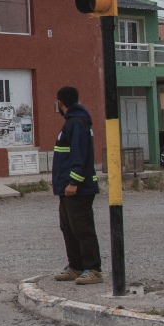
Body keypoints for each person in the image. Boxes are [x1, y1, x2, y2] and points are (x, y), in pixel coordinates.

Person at [49, 86, 102, 285]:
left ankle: (93, 269)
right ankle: (76, 266)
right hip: (66, 189)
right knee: (68, 228)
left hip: (78, 189)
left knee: (82, 229)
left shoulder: (77, 123)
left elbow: (80, 156)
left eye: (57, 102)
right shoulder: (71, 122)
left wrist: (74, 182)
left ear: (61, 102)